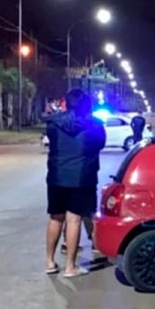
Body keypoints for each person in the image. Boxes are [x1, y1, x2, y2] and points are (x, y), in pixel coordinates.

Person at [44, 88, 106, 278]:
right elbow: (100, 145)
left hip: (56, 177)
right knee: (74, 220)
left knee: (55, 218)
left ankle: (49, 261)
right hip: (81, 178)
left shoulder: (53, 124)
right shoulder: (95, 126)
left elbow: (52, 143)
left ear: (67, 103)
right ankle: (70, 266)